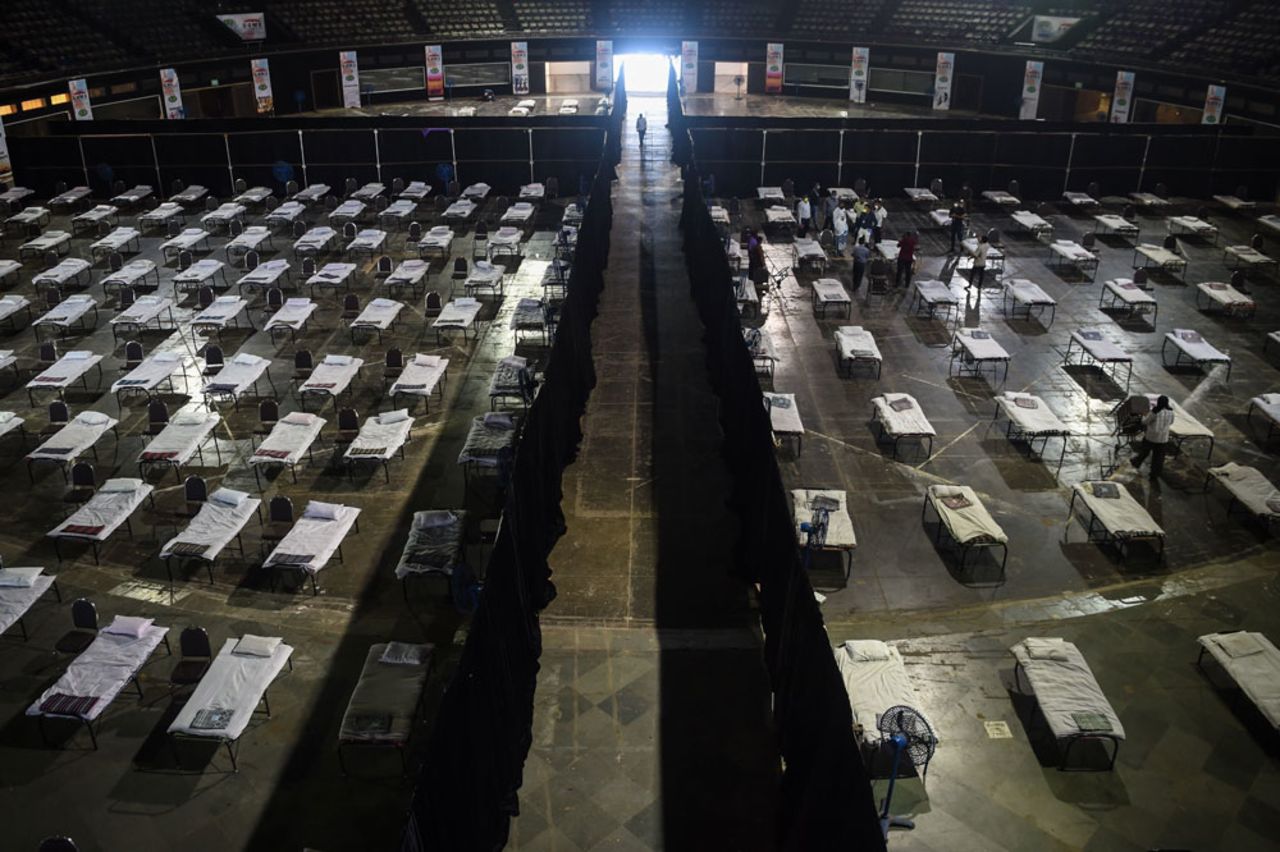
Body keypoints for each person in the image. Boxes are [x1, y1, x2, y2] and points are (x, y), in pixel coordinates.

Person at [1131, 396, 1175, 481]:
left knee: (1144, 451)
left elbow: (1145, 422)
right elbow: (1171, 422)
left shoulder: (1155, 411)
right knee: (1158, 457)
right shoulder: (1171, 412)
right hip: (1163, 439)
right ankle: (1155, 474)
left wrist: (1143, 418)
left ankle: (1136, 463)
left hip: (1151, 437)